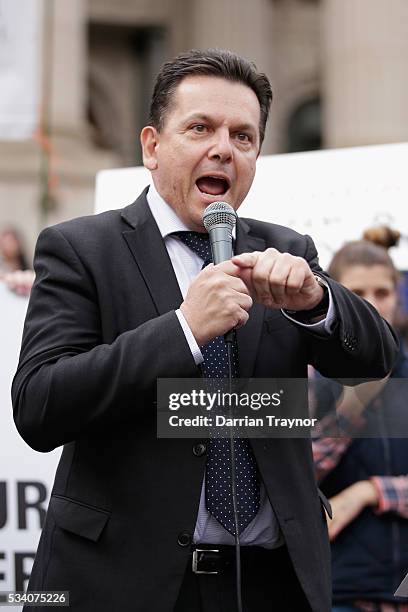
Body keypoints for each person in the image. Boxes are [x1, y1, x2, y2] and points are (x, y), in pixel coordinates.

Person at [12, 49, 398, 612]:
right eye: (200, 128)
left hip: (272, 581)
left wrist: (318, 302)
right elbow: (40, 405)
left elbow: (375, 357)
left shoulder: (286, 250)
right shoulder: (82, 249)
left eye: (243, 137)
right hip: (129, 582)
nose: (223, 148)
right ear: (151, 146)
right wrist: (184, 329)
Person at [312, 228, 408, 612]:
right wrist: (348, 413)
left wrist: (368, 492)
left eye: (382, 293)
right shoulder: (304, 376)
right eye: (358, 294)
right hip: (339, 593)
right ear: (337, 296)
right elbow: (290, 478)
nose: (371, 305)